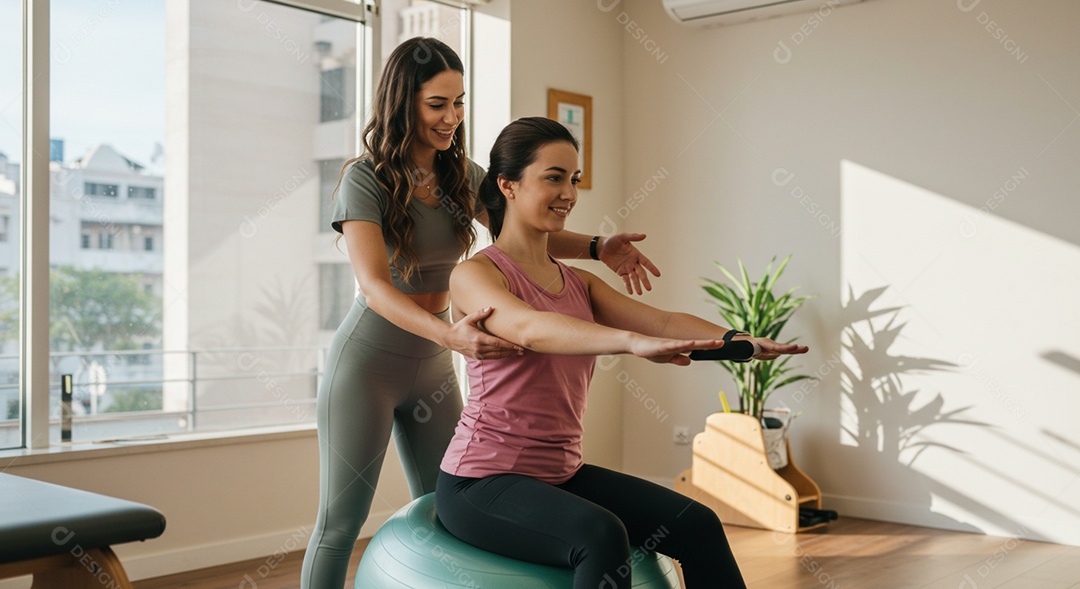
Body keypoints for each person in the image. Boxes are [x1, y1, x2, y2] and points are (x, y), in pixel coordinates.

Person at [301, 38, 662, 588]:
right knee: (341, 522)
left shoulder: (460, 177)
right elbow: (374, 286)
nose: (452, 117)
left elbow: (523, 224)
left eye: (460, 102)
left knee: (446, 512)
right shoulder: (365, 178)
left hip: (436, 365)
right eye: (437, 104)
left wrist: (597, 247)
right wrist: (449, 336)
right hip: (369, 364)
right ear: (403, 103)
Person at [436, 117, 809, 589]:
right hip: (482, 481)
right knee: (600, 534)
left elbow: (665, 323)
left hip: (560, 473)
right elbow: (530, 328)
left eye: (573, 179)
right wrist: (631, 344)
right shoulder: (476, 275)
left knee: (698, 523)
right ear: (507, 185)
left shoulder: (578, 281)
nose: (569, 193)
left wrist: (742, 343)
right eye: (553, 177)